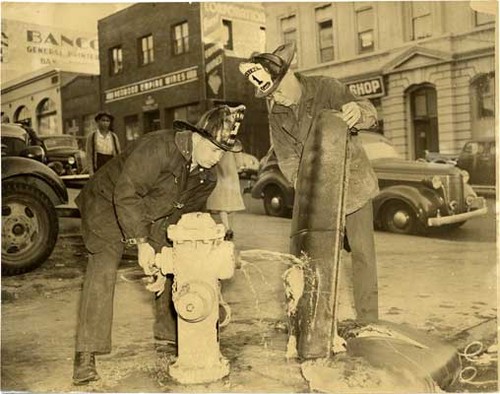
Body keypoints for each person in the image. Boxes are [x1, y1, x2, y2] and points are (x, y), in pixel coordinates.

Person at [73, 104, 246, 386]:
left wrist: (158, 258)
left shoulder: (206, 176)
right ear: (198, 138)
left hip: (150, 212)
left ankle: (167, 331)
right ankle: (85, 354)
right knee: (103, 270)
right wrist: (142, 243)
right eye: (215, 150)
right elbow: (126, 193)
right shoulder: (158, 147)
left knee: (174, 258)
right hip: (106, 204)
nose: (219, 158)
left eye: (223, 153)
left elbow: (177, 220)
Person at [239, 42, 379, 323]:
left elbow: (369, 112)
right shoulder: (277, 114)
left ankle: (368, 321)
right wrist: (306, 191)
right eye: (269, 95)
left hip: (354, 186)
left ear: (291, 74)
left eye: (277, 90)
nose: (276, 99)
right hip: (318, 195)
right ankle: (321, 324)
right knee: (317, 259)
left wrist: (358, 114)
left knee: (362, 255)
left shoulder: (328, 88)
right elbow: (288, 160)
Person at [206, 151, 246, 240]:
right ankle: (229, 229)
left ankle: (226, 228)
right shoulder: (235, 144)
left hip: (219, 174)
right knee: (231, 204)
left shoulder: (217, 142)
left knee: (221, 204)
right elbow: (240, 164)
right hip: (231, 177)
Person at [85, 111, 121, 175]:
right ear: (98, 121)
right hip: (98, 166)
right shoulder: (92, 136)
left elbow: (118, 154)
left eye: (107, 121)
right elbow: (89, 156)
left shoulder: (113, 136)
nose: (105, 123)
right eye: (103, 120)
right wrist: (91, 172)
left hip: (111, 165)